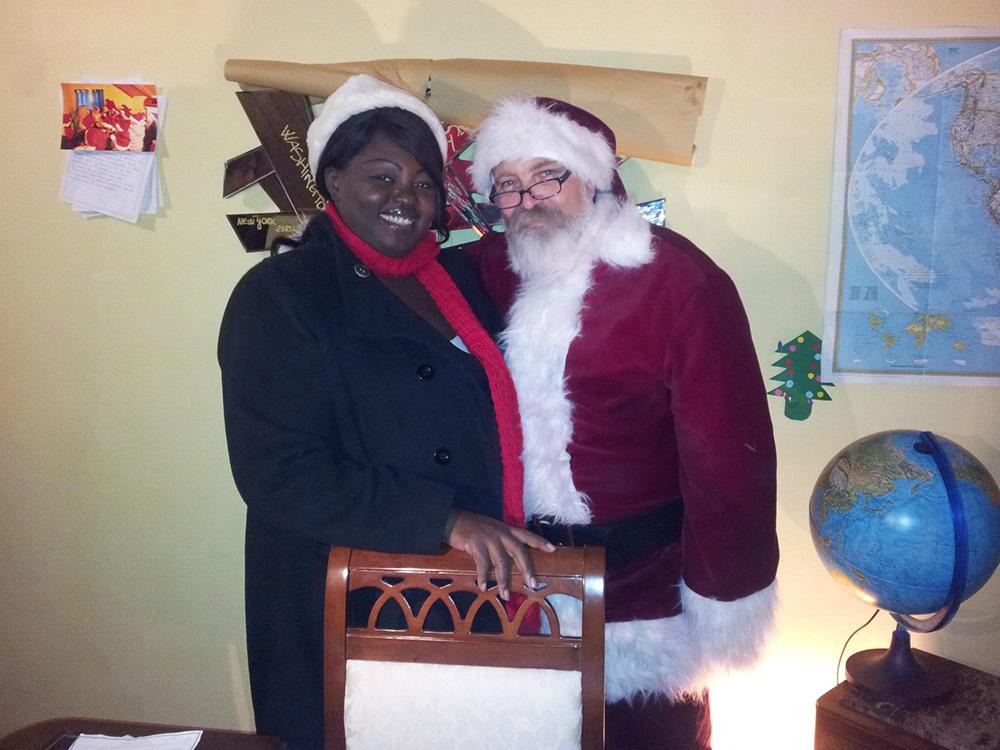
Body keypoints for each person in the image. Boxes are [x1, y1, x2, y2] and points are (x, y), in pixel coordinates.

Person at [218, 75, 551, 749]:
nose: (407, 196)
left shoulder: (457, 281)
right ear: (333, 181)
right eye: (382, 176)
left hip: (465, 591)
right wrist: (447, 520)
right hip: (347, 594)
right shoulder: (281, 294)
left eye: (424, 181)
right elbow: (279, 474)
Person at [467, 96, 780, 749]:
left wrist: (728, 588)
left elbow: (727, 454)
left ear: (594, 177)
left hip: (646, 596)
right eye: (508, 185)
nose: (528, 201)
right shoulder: (490, 268)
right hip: (522, 590)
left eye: (547, 176)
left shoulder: (679, 281)